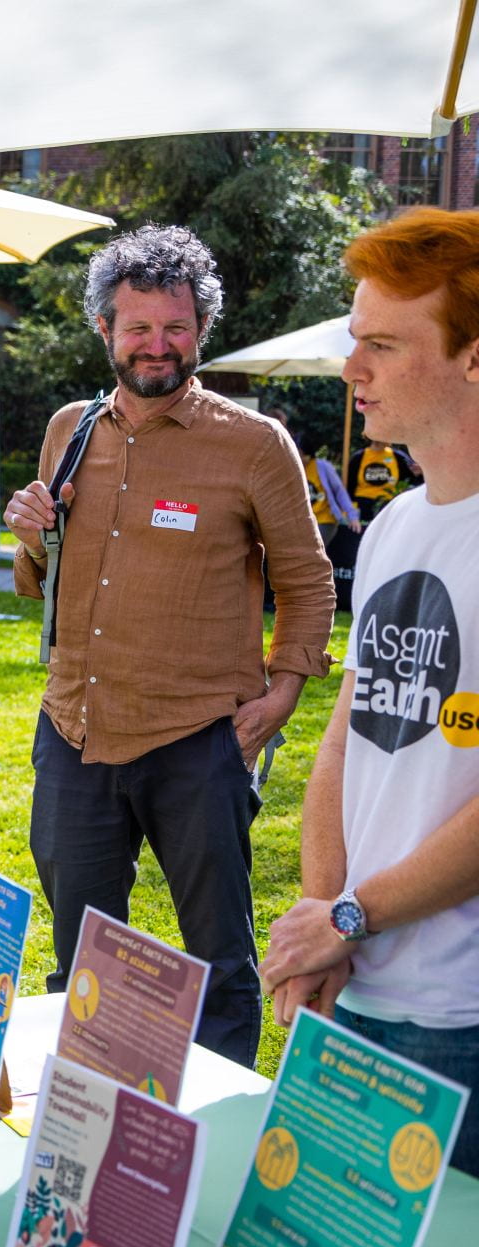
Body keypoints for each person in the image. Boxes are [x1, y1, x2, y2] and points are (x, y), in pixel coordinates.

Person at [5, 224, 335, 1067]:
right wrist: (32, 536)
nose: (158, 345)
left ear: (201, 329)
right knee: (81, 958)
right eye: (139, 327)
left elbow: (308, 581)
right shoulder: (69, 430)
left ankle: (213, 1136)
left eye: (177, 327)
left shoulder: (254, 444)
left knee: (221, 962)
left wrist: (284, 693)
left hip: (199, 738)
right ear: (105, 331)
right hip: (74, 732)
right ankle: (88, 1114)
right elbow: (37, 581)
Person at [259, 208, 479, 1177]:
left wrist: (352, 914)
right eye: (356, 340)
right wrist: (324, 922)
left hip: (460, 1020)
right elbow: (349, 741)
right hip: (354, 985)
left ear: (473, 358)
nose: (355, 370)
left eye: (383, 344)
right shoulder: (390, 527)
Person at [346, 436, 420, 522]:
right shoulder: (359, 457)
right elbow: (349, 484)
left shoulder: (398, 457)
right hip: (363, 504)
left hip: (388, 503)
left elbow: (412, 478)